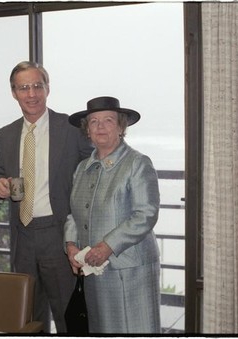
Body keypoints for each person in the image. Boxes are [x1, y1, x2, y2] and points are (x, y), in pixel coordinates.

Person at [0, 61, 93, 333]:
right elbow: (0, 172)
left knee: (66, 314)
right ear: (14, 93)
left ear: (48, 88)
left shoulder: (72, 128)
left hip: (58, 234)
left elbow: (93, 171)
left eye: (37, 86)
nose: (32, 93)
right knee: (27, 316)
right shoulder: (6, 134)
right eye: (24, 88)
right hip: (22, 235)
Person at [64, 96, 161, 334]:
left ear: (121, 127)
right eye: (94, 122)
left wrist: (107, 246)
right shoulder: (82, 168)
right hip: (94, 270)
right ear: (87, 130)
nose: (100, 127)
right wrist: (70, 245)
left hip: (130, 271)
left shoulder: (137, 163)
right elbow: (74, 214)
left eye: (108, 120)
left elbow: (145, 214)